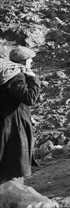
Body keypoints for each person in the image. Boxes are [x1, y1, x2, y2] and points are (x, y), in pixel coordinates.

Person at [0, 46, 41, 184]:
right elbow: (29, 98)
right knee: (14, 167)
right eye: (30, 61)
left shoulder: (6, 74)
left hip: (7, 124)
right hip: (13, 128)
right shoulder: (14, 76)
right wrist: (33, 79)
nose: (32, 63)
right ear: (24, 62)